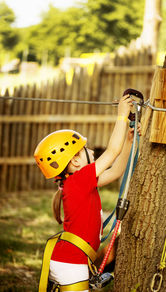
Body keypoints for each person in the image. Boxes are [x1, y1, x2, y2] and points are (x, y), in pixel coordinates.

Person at [34, 94, 141, 292]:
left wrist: (128, 141)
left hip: (72, 262)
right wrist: (122, 117)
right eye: (86, 149)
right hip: (70, 265)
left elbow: (116, 170)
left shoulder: (79, 183)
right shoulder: (79, 181)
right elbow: (111, 153)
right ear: (75, 161)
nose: (92, 151)